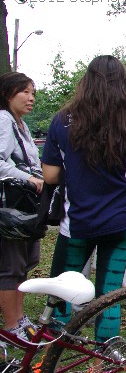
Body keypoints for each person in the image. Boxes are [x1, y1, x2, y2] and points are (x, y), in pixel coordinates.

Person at [41, 56, 126, 349]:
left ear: (86, 81)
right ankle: (108, 348)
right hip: (121, 222)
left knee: (64, 284)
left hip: (77, 222)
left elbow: (50, 175)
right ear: (123, 84)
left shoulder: (62, 120)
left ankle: (57, 343)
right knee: (109, 290)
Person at [0, 72, 44, 340]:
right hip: (10, 208)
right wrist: (28, 177)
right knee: (11, 265)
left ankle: (19, 317)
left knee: (26, 261)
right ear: (8, 94)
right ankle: (11, 324)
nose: (31, 98)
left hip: (26, 208)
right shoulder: (4, 121)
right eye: (24, 92)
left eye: (32, 93)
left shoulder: (21, 125)